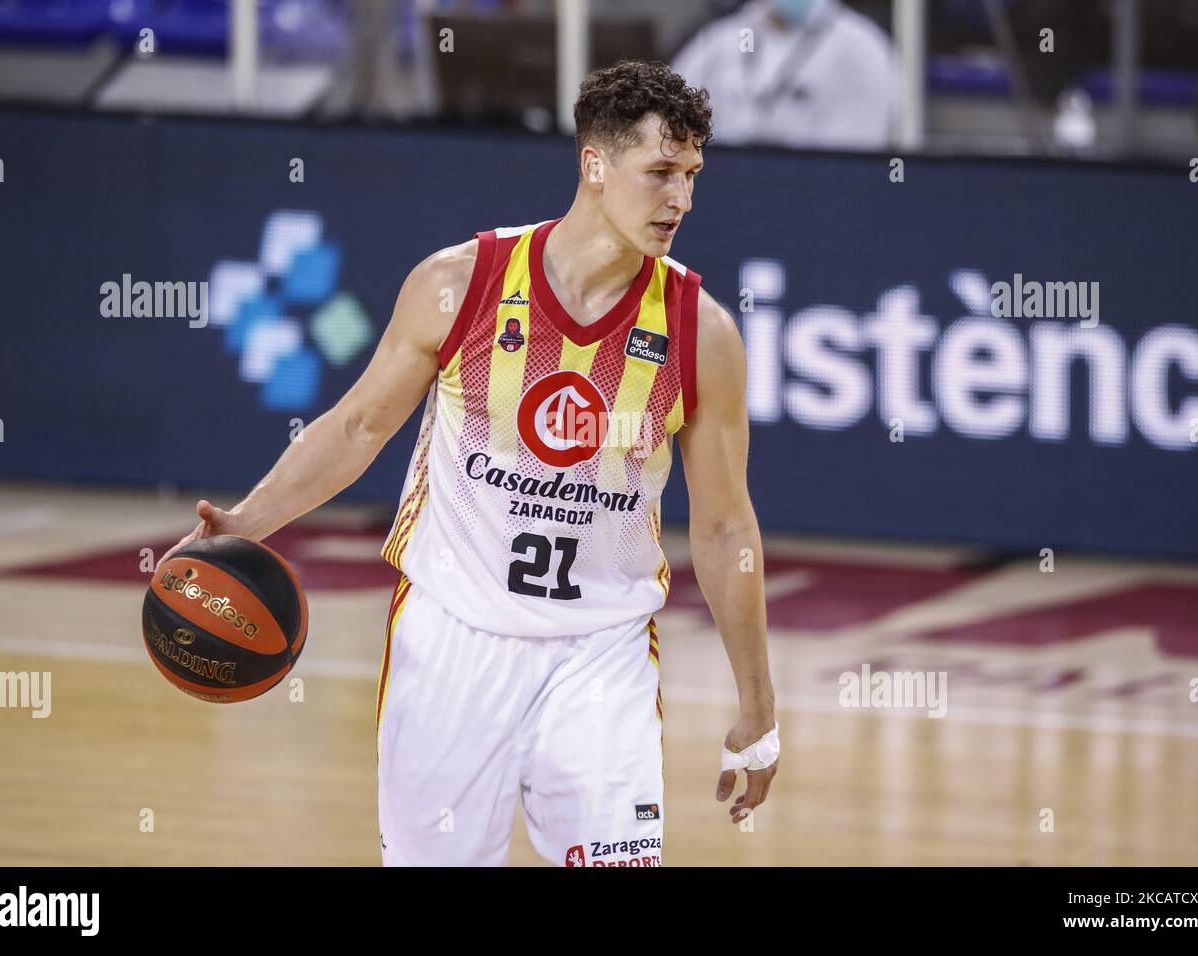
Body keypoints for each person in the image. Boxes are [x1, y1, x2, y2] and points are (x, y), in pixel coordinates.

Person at [164, 59, 778, 867]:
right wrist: (244, 526)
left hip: (601, 654)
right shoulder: (462, 285)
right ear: (594, 165)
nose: (681, 199)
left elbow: (726, 523)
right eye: (661, 172)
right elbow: (355, 429)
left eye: (693, 174)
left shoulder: (702, 334)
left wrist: (758, 704)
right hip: (451, 645)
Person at [672, 0, 895, 150]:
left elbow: (854, 152)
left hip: (810, 195)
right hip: (720, 184)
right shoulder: (720, 38)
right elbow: (673, 112)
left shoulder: (863, 49)